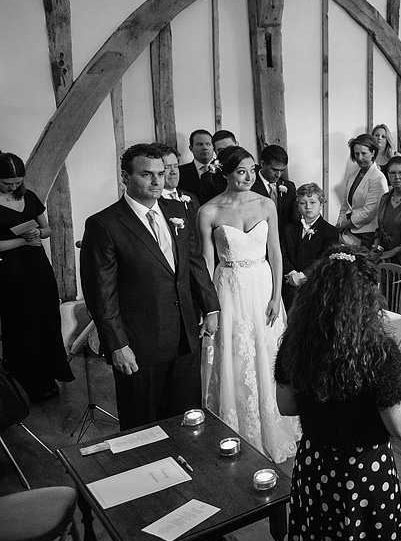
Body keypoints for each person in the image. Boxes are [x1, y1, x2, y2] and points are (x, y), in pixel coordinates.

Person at [275, 245, 401, 541]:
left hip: (315, 466)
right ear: (366, 298)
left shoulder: (295, 341)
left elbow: (287, 406)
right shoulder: (379, 352)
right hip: (364, 471)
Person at [81, 143, 219, 430]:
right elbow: (101, 293)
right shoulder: (104, 224)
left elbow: (194, 262)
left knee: (187, 417)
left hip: (184, 334)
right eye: (147, 175)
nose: (158, 181)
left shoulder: (176, 210)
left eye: (162, 173)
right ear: (125, 176)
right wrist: (118, 344)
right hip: (139, 343)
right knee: (143, 423)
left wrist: (211, 307)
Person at [197, 145, 299, 463]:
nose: (248, 176)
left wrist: (276, 297)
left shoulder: (266, 204)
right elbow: (205, 262)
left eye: (252, 170)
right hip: (228, 287)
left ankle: (274, 424)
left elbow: (277, 254)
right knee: (236, 353)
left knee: (267, 352)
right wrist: (210, 307)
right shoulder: (209, 211)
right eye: (241, 171)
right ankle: (236, 427)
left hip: (262, 285)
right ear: (225, 173)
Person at [0, 152, 74, 401]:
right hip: (9, 272)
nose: (13, 186)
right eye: (7, 182)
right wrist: (23, 240)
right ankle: (27, 383)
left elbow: (48, 229)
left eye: (17, 181)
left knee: (47, 319)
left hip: (37, 267)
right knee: (22, 325)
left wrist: (38, 233)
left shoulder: (28, 196)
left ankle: (49, 376)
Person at [281, 183, 340, 309]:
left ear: (321, 205)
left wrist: (302, 276)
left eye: (312, 202)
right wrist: (292, 274)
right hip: (288, 285)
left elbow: (324, 259)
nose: (308, 207)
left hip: (314, 286)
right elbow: (282, 253)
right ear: (298, 206)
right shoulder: (289, 229)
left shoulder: (331, 231)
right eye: (303, 203)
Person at [337, 134, 388, 248]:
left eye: (364, 154)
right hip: (349, 231)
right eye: (357, 154)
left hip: (367, 234)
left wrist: (344, 225)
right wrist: (339, 224)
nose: (359, 158)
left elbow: (368, 213)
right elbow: (345, 205)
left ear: (373, 153)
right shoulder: (352, 175)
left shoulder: (377, 178)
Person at [374, 156, 401, 264]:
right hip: (384, 258)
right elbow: (380, 228)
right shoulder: (385, 198)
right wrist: (376, 246)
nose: (396, 177)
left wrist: (395, 251)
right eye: (392, 173)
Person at [250, 144, 296, 235]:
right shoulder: (250, 187)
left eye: (282, 170)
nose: (278, 175)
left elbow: (292, 221)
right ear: (262, 164)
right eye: (274, 170)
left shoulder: (289, 187)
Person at [178, 129, 213, 199]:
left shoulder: (223, 169)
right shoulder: (180, 172)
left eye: (208, 144)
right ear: (191, 148)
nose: (204, 148)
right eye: (200, 144)